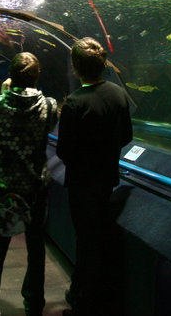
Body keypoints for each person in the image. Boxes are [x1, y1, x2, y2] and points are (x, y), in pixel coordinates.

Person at [0, 52, 58, 316]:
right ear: (37, 76)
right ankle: (34, 304)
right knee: (35, 247)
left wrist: (3, 95)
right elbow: (49, 126)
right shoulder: (50, 105)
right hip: (35, 187)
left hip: (3, 185)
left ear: (12, 76)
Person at [56, 37, 133, 316]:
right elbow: (126, 136)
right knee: (99, 239)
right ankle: (87, 293)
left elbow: (64, 150)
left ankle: (84, 303)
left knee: (86, 242)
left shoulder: (75, 103)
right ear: (104, 65)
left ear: (75, 67)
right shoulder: (118, 94)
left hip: (81, 185)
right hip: (107, 180)